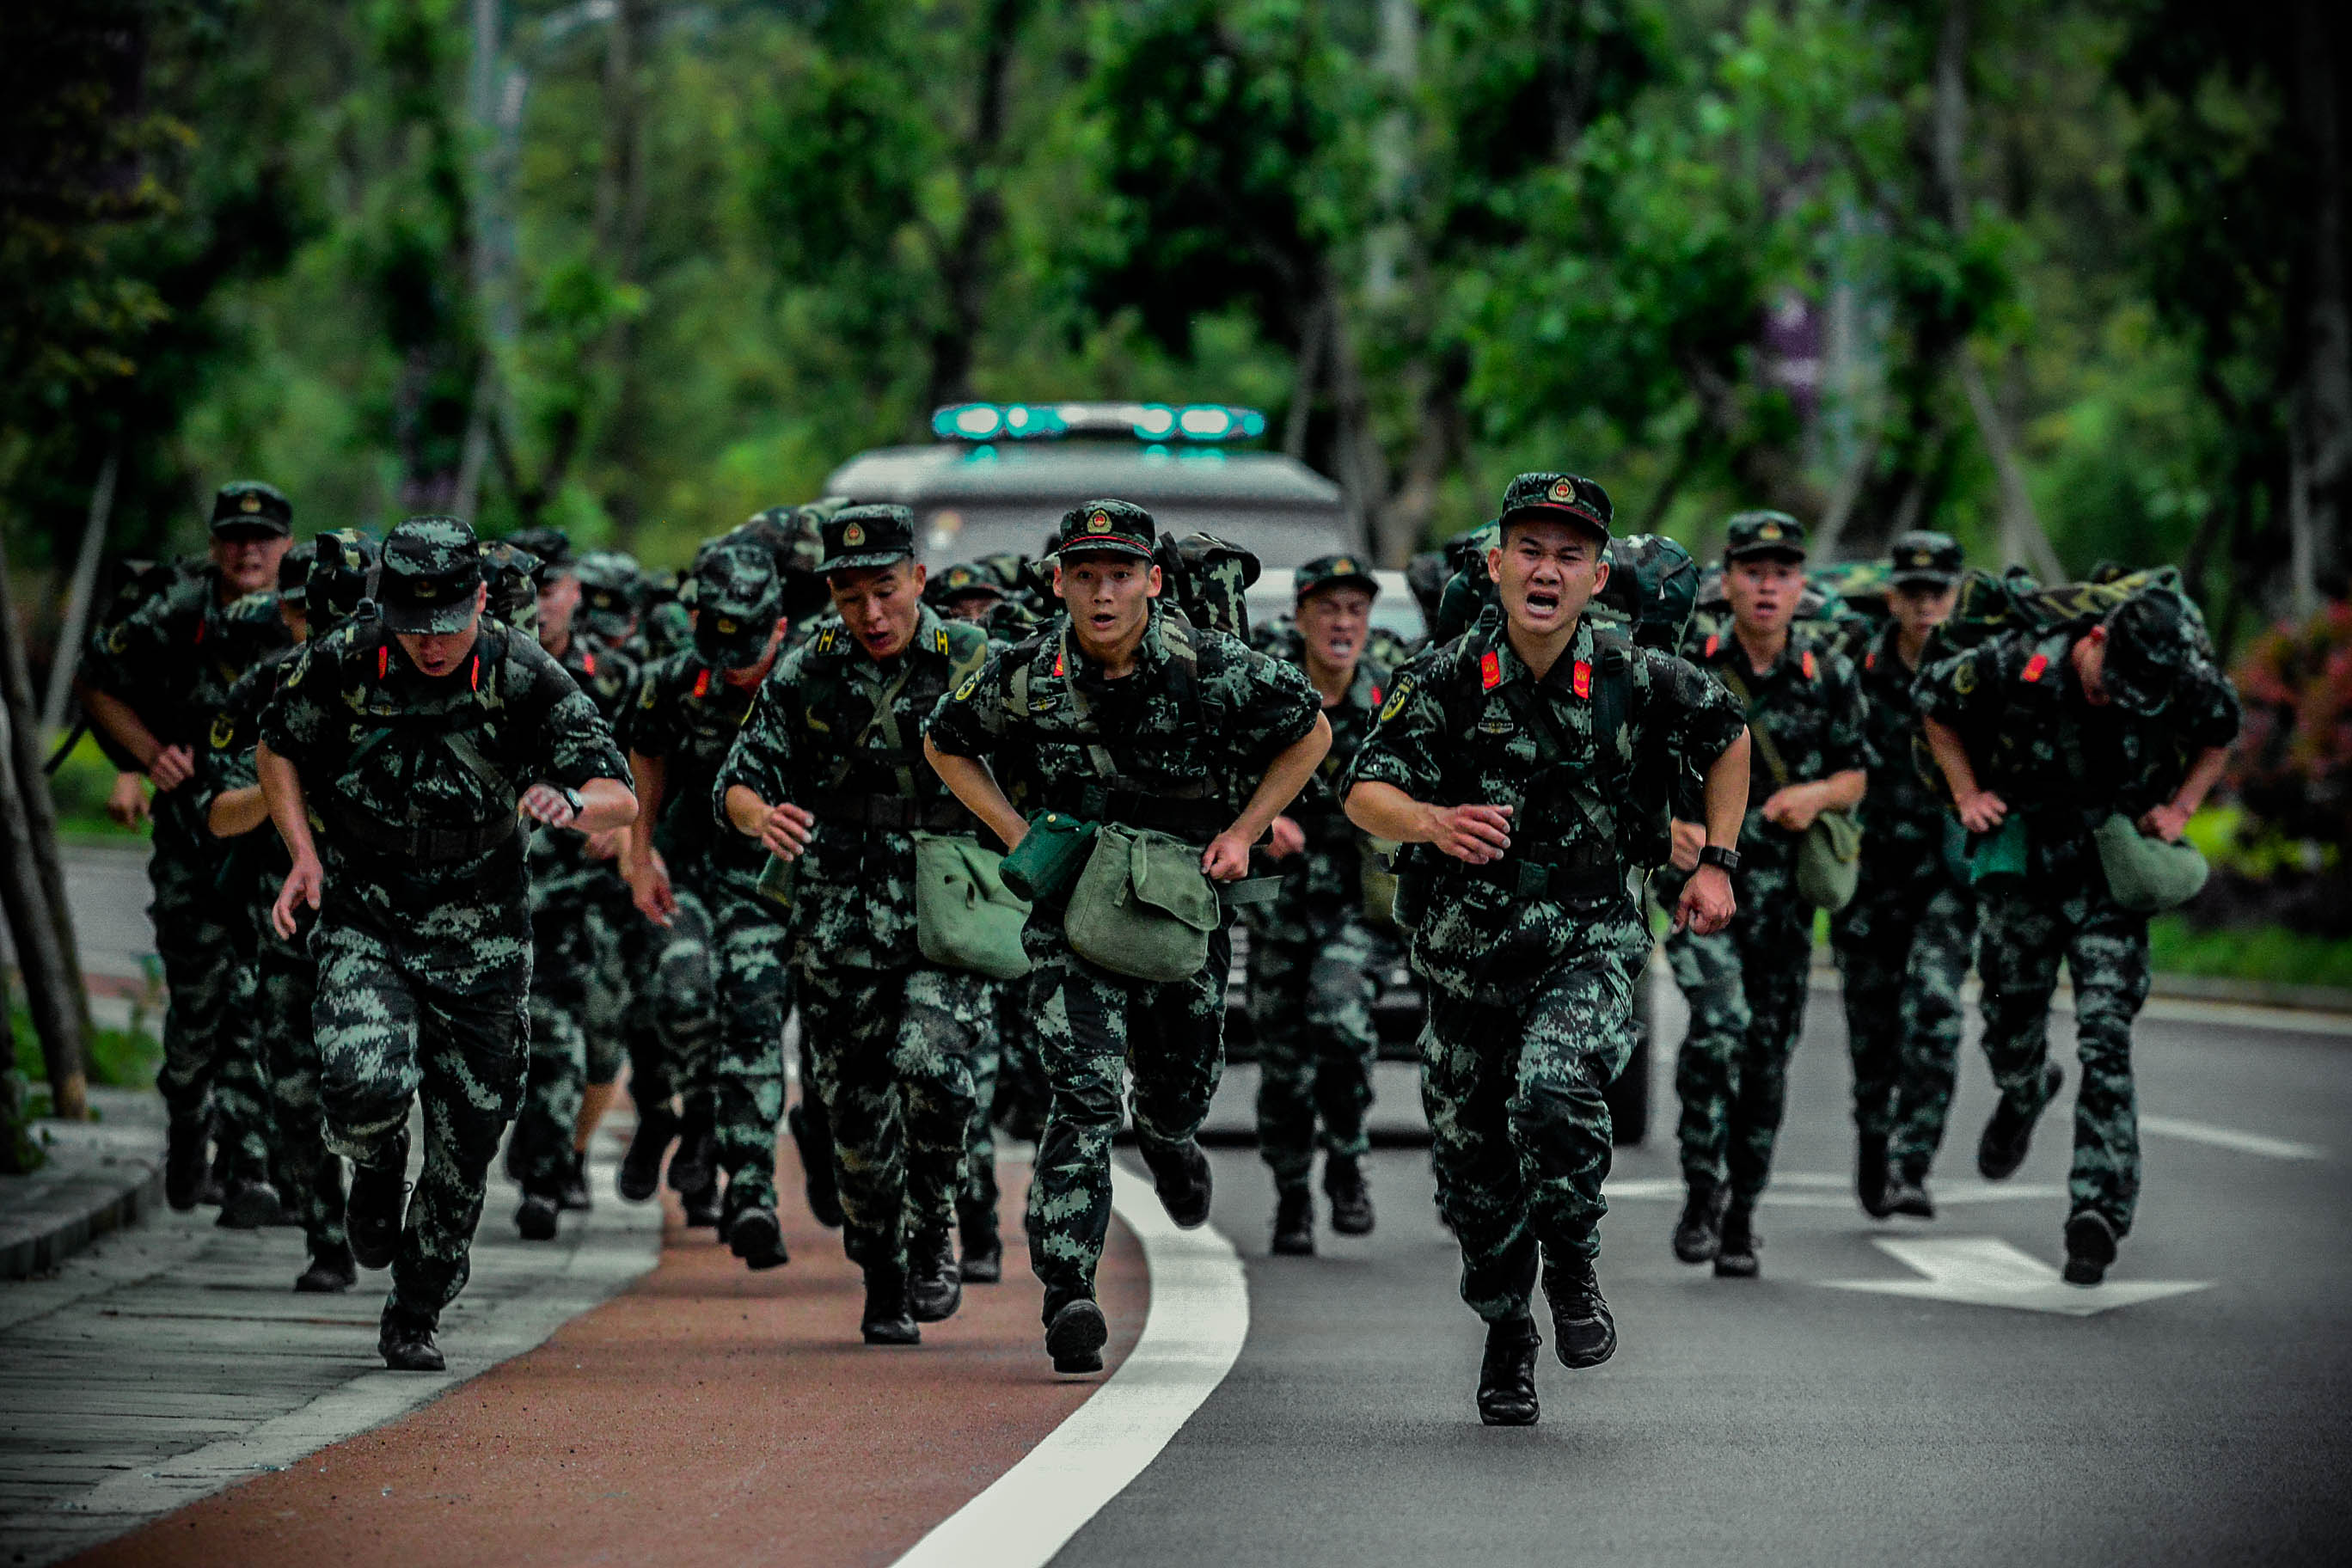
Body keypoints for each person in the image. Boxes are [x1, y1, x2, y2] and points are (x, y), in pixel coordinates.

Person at [1342, 472, 1748, 1427]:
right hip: (1466, 961)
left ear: (1598, 578)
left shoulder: (1634, 673)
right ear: (1494, 565)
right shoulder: (1443, 677)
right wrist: (1434, 821)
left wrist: (1717, 862)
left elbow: (1727, 735)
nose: (1546, 570)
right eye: (1529, 549)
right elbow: (1365, 792)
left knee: (1553, 1090)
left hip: (1589, 940)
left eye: (1570, 555)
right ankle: (1506, 1334)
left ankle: (1571, 1270)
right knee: (1475, 1181)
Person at [927, 499, 1330, 1375]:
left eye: (1119, 575)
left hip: (1180, 903)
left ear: (1152, 581)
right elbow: (946, 741)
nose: (1101, 593)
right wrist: (1013, 833)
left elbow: (1309, 733)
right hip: (1073, 910)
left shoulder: (1211, 665)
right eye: (1084, 575)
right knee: (1080, 1095)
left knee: (1182, 1078)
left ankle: (1172, 1134)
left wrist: (1246, 830)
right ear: (1059, 582)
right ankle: (1068, 1288)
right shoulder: (1026, 673)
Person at [257, 516, 634, 1371]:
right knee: (360, 1080)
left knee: (469, 1138)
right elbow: (277, 744)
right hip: (368, 910)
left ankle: (416, 1307)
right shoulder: (349, 656)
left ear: (478, 600)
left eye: (448, 622)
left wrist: (569, 805)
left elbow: (620, 793)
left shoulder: (520, 670)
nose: (431, 643)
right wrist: (303, 857)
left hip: (483, 931)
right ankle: (376, 1162)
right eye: (412, 623)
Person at [720, 503, 1001, 1339]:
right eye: (850, 597)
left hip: (946, 910)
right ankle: (880, 1265)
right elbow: (740, 776)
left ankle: (932, 1233)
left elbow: (1037, 759)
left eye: (885, 591)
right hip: (838, 922)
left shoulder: (975, 657)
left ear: (918, 579)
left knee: (935, 1064)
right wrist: (755, 815)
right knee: (852, 1116)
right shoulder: (808, 669)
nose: (871, 615)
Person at [1916, 584, 2238, 1284]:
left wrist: (2185, 805)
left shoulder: (2179, 677)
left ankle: (2098, 1210)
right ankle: (2026, 1091)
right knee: (2009, 1026)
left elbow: (2220, 728)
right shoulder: (2013, 661)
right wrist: (1967, 792)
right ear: (2093, 639)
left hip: (2109, 865)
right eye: (2109, 681)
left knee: (2106, 1035)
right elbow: (1935, 706)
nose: (2114, 698)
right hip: (2025, 862)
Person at [80, 481, 294, 1211]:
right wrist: (144, 757)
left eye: (264, 537)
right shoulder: (175, 611)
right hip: (190, 839)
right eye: (235, 535)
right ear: (214, 545)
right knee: (200, 998)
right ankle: (187, 1131)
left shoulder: (300, 616)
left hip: (273, 846)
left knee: (261, 995)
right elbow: (98, 681)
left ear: (287, 546)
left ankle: (248, 1169)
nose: (249, 549)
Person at [1665, 511, 1867, 1280]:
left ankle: (1742, 1213)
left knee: (1767, 1058)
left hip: (1784, 903)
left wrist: (1815, 796)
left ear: (1801, 587)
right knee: (1719, 1029)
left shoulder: (1829, 672)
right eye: (1753, 570)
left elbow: (1859, 772)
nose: (1767, 585)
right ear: (1728, 581)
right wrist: (1671, 827)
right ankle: (1699, 1193)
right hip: (1699, 891)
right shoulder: (1688, 664)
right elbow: (1635, 763)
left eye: (1782, 572)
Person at [196, 531, 377, 1286]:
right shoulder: (264, 690)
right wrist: (284, 796)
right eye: (311, 613)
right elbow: (218, 813)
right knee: (295, 1087)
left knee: (375, 1075)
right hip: (292, 924)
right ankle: (324, 1236)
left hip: (385, 918)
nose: (327, 630)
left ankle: (378, 1200)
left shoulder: (404, 682)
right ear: (289, 614)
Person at [619, 542, 794, 1249]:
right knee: (683, 993)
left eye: (746, 644)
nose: (731, 661)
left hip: (773, 879)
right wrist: (639, 853)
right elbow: (647, 757)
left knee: (752, 1015)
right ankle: (692, 1115)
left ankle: (748, 1188)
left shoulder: (809, 676)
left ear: (778, 626)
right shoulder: (673, 680)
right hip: (690, 867)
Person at [1246, 554, 1394, 1255]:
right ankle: (1292, 1195)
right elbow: (1216, 765)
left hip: (1357, 906)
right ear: (1301, 617)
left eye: (1355, 611)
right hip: (1279, 902)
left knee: (1339, 1019)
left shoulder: (1389, 698)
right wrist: (1256, 819)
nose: (1342, 623)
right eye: (1328, 609)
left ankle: (1346, 1154)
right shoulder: (1267, 691)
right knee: (1281, 1059)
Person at [1829, 531, 1976, 1219]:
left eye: (1938, 592)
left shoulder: (1976, 673)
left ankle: (1913, 1165)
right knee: (1874, 1032)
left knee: (1938, 1009)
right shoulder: (1854, 665)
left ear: (1955, 594)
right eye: (1913, 592)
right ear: (1893, 597)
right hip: (1867, 877)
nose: (1925, 605)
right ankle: (1875, 1145)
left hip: (1943, 879)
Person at [510, 530, 643, 1237]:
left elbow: (646, 771)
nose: (538, 601)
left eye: (550, 586)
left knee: (602, 1039)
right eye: (523, 585)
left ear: (575, 593)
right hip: (517, 887)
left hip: (595, 890)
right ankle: (543, 1168)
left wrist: (623, 826)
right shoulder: (490, 671)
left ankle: (570, 1148)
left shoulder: (615, 676)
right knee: (548, 1034)